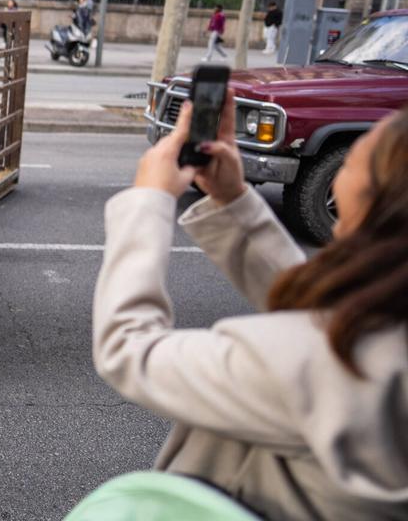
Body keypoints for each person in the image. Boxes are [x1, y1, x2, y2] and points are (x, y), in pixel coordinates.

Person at [93, 94, 408, 520]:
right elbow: (325, 314)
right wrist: (233, 200)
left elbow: (129, 349)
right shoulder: (385, 330)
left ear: (379, 205)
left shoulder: (319, 364)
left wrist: (148, 199)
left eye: (353, 162)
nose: (340, 175)